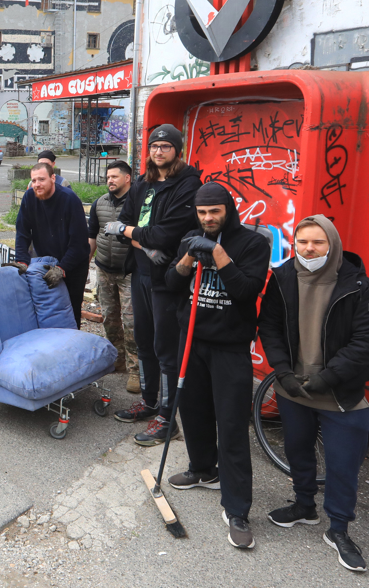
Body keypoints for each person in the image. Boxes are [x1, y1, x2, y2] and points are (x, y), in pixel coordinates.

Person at [258, 215, 369, 572]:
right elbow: (268, 326)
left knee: (343, 465)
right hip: (293, 389)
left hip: (341, 394)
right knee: (297, 450)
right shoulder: (283, 277)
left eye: (317, 242)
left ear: (332, 244)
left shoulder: (358, 284)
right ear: (294, 244)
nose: (309, 249)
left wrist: (329, 378)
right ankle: (303, 506)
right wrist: (283, 371)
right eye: (302, 243)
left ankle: (339, 529)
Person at [161, 182, 271, 548]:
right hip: (191, 340)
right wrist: (189, 258)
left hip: (229, 347)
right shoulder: (191, 237)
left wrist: (219, 256)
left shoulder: (253, 243)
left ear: (228, 209)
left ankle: (237, 508)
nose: (207, 219)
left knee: (232, 423)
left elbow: (246, 291)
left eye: (214, 212)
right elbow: (172, 284)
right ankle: (203, 468)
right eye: (202, 212)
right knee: (192, 412)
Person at [109, 124, 202, 446]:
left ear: (177, 150)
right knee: (143, 340)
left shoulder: (188, 186)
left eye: (165, 146)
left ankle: (168, 414)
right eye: (154, 146)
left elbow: (166, 234)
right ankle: (148, 402)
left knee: (166, 348)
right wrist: (141, 241)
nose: (159, 151)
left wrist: (132, 233)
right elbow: (126, 224)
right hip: (141, 273)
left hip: (168, 279)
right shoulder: (142, 184)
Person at [14, 163, 91, 327]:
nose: (37, 184)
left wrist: (62, 268)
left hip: (73, 263)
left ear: (53, 178)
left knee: (70, 309)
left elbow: (79, 243)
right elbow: (22, 233)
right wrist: (21, 260)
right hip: (46, 261)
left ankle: (72, 344)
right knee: (47, 308)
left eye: (41, 179)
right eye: (34, 180)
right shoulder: (29, 198)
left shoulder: (69, 200)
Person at [88, 160, 139, 392]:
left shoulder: (138, 203)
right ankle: (116, 360)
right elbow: (92, 236)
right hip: (103, 269)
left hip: (128, 273)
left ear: (127, 178)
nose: (109, 180)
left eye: (114, 176)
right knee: (109, 318)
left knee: (131, 323)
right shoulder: (99, 203)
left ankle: (135, 370)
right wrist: (86, 264)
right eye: (108, 177)